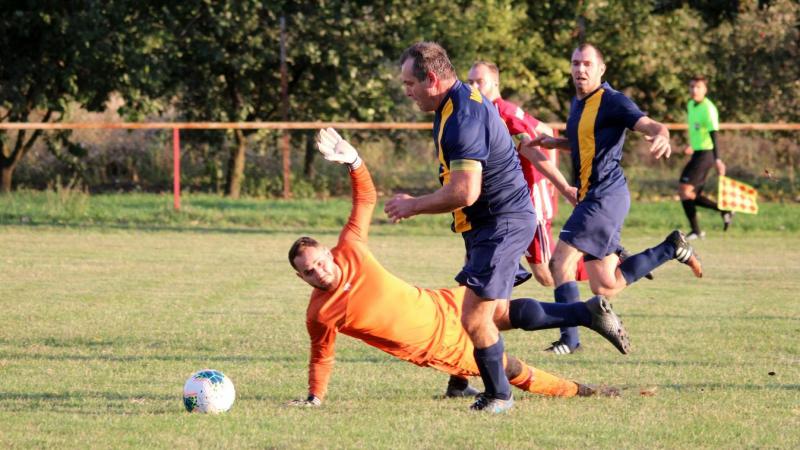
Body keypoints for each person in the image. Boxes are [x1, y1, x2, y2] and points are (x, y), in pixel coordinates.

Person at [287, 128, 629, 409]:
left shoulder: (349, 249)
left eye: (319, 262)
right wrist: (315, 398)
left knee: (508, 363)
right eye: (309, 272)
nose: (319, 272)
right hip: (441, 337)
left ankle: (582, 389)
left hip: (445, 316)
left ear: (330, 254)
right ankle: (582, 334)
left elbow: (365, 199)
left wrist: (355, 162)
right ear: (300, 278)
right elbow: (322, 356)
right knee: (502, 319)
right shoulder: (320, 313)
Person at [384, 42, 542, 412]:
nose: (406, 91)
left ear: (433, 79)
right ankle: (585, 313)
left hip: (501, 221)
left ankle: (500, 396)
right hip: (489, 223)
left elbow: (464, 192)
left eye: (410, 83)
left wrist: (412, 206)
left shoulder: (463, 117)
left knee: (473, 315)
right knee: (494, 315)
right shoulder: (453, 101)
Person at [523, 43, 703, 355]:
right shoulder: (578, 102)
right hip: (596, 197)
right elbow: (588, 140)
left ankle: (570, 340)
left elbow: (651, 125)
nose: (580, 69)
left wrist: (662, 135)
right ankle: (670, 247)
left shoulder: (613, 100)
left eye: (587, 63)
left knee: (560, 262)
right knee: (604, 285)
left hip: (604, 196)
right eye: (576, 63)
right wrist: (557, 142)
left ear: (601, 69)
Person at [467, 60, 589, 287]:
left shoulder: (502, 114)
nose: (473, 87)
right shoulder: (498, 110)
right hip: (508, 199)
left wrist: (560, 186)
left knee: (547, 274)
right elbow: (544, 130)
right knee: (477, 254)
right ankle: (478, 311)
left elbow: (531, 149)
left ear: (495, 82)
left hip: (529, 198)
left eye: (479, 81)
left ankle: (600, 256)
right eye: (470, 82)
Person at [679, 75, 733, 240]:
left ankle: (696, 230)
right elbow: (697, 131)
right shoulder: (691, 105)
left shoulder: (709, 109)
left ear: (705, 90)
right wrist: (691, 145)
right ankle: (724, 210)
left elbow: (713, 135)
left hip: (706, 154)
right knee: (691, 195)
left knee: (684, 190)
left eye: (698, 87)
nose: (694, 90)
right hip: (698, 152)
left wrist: (718, 159)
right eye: (692, 87)